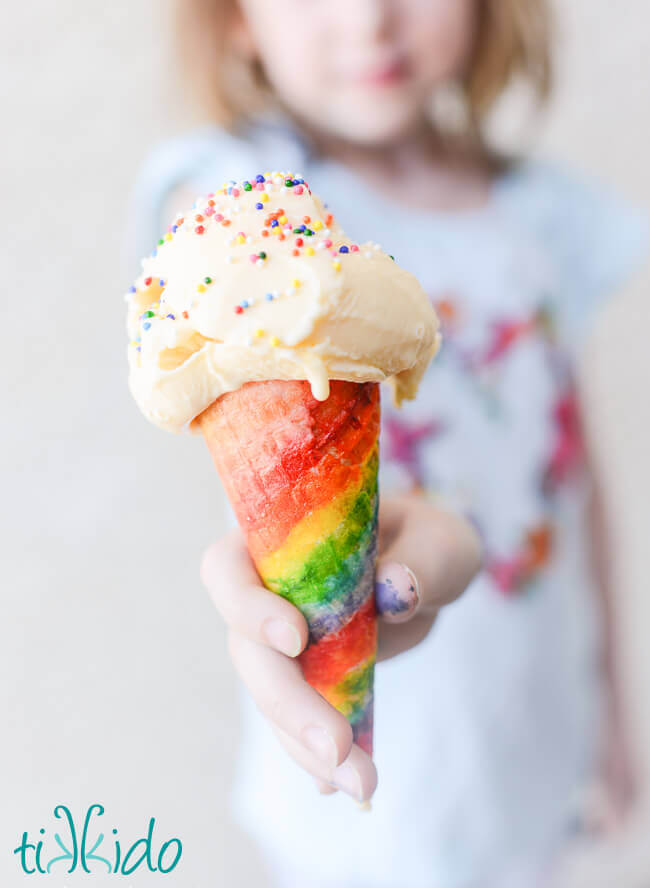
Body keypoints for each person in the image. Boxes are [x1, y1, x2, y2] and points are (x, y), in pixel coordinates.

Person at [123, 0, 650, 885]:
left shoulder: (546, 218)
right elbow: (204, 258)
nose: (370, 20)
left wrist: (614, 708)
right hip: (355, 747)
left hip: (534, 722)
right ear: (236, 18)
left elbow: (577, 476)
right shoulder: (243, 189)